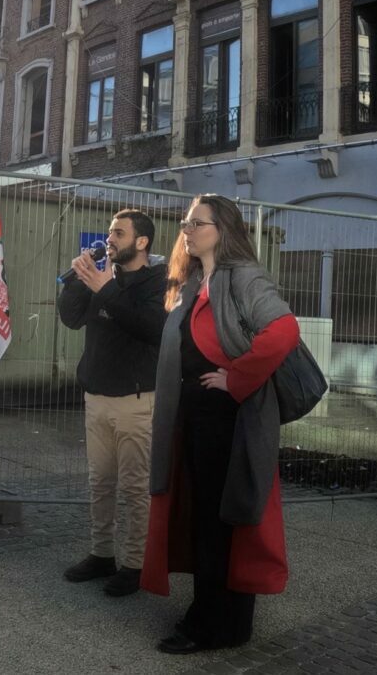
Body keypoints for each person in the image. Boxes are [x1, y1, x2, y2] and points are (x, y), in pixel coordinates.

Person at [142, 194, 298, 654]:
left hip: (226, 419)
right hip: (195, 418)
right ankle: (218, 617)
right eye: (186, 222)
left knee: (219, 521)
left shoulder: (243, 276)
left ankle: (213, 625)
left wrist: (237, 380)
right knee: (206, 517)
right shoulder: (194, 281)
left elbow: (284, 330)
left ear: (223, 229)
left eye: (197, 222)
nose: (186, 229)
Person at [57, 209, 166, 598]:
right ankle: (101, 554)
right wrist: (77, 283)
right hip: (97, 397)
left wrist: (105, 288)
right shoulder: (105, 276)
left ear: (142, 242)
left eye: (118, 233)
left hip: (136, 401)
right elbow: (71, 318)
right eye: (109, 232)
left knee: (136, 488)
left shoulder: (159, 281)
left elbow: (149, 326)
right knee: (100, 483)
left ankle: (135, 564)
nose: (109, 239)